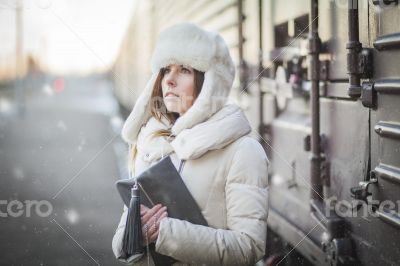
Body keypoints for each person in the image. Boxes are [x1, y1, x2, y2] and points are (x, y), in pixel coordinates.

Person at [112, 22, 269, 266]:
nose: (169, 81)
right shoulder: (152, 141)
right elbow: (121, 241)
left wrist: (165, 233)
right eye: (166, 70)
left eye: (184, 69)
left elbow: (248, 247)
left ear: (209, 83)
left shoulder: (242, 151)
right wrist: (136, 235)